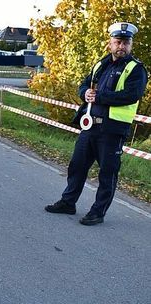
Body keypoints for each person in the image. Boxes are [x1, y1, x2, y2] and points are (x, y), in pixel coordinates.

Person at [45, 22, 148, 226]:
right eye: (118, 42)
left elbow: (131, 95)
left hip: (112, 129)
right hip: (90, 126)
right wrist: (85, 93)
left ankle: (97, 212)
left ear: (131, 45)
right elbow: (84, 84)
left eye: (126, 43)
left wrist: (99, 96)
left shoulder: (136, 69)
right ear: (110, 43)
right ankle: (68, 202)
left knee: (107, 174)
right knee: (77, 166)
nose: (122, 46)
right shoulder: (101, 64)